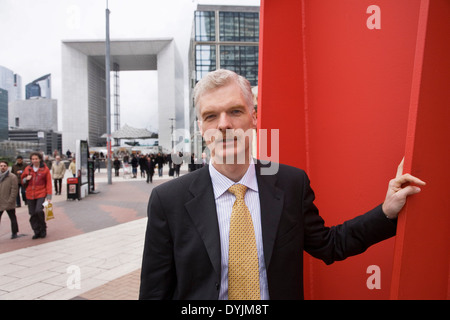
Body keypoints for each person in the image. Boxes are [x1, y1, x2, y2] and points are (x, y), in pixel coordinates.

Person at [139, 69, 426, 300]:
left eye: (235, 111)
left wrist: (387, 211)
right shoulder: (169, 201)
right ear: (201, 127)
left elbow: (330, 245)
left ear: (254, 116)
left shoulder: (291, 184)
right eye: (211, 116)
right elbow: (154, 291)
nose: (224, 124)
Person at [21, 152, 52, 239]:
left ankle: (43, 228)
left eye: (36, 159)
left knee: (39, 210)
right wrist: (25, 179)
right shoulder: (28, 169)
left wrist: (49, 197)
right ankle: (36, 231)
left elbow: (48, 183)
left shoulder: (45, 169)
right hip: (30, 194)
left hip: (41, 193)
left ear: (40, 159)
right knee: (32, 213)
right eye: (33, 159)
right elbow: (22, 181)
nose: (34, 161)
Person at [0, 160, 19, 239]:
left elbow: (14, 190)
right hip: (0, 202)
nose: (3, 167)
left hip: (8, 201)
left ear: (7, 167)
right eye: (1, 166)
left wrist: (11, 200)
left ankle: (14, 232)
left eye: (4, 166)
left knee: (12, 218)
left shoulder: (12, 177)